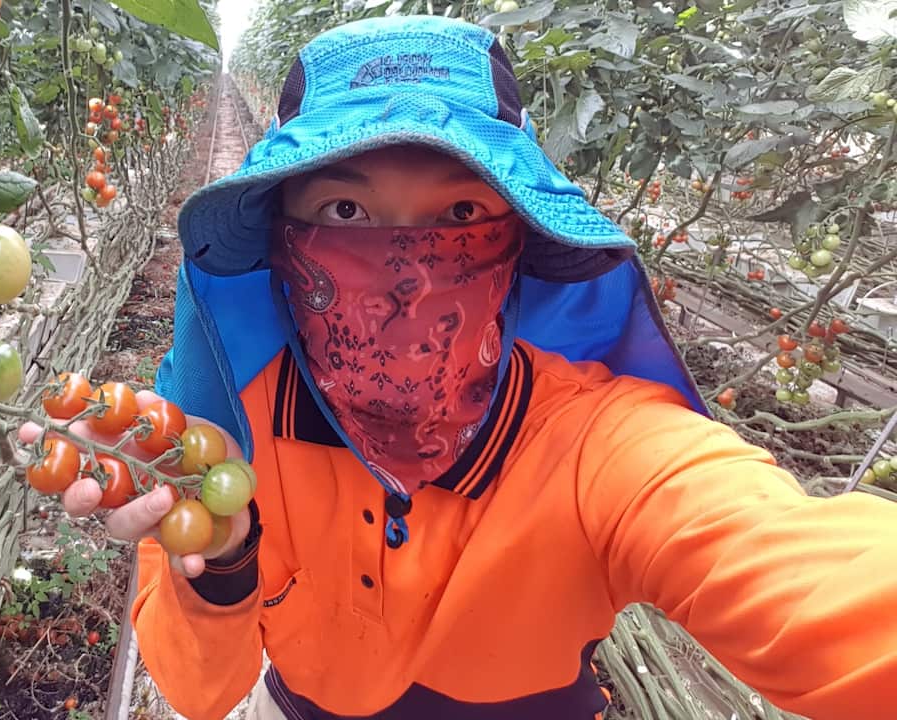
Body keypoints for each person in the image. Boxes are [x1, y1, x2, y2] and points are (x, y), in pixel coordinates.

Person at [55, 15, 897, 720]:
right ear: (283, 243)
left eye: (460, 212)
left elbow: (814, 579)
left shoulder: (598, 445)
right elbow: (200, 691)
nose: (406, 272)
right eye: (344, 210)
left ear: (517, 241)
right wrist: (226, 560)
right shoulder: (226, 440)